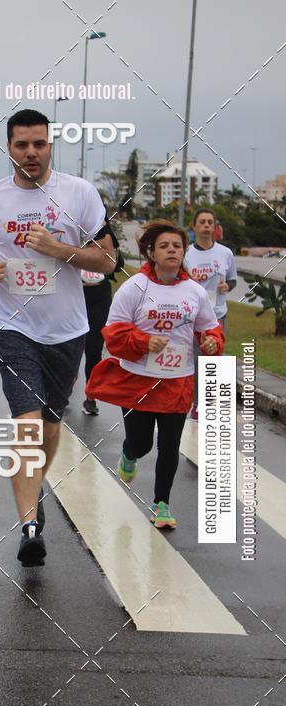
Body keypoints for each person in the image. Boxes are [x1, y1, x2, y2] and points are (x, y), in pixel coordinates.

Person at [0, 108, 116, 566]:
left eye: (39, 144)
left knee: (49, 428)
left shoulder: (78, 193)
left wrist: (59, 249)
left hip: (66, 330)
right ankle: (29, 525)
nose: (31, 152)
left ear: (50, 146)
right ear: (9, 148)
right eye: (22, 145)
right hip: (14, 326)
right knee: (26, 424)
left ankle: (34, 487)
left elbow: (108, 262)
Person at [86, 220, 225, 529]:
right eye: (164, 246)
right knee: (142, 443)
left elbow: (208, 325)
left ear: (183, 252)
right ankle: (128, 452)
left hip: (177, 381)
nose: (171, 250)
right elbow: (115, 334)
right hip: (137, 380)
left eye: (177, 246)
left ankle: (161, 503)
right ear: (150, 252)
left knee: (170, 445)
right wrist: (144, 342)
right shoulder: (135, 288)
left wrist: (211, 339)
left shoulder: (194, 291)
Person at [184, 208, 236, 419]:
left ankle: (209, 405)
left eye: (210, 222)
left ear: (215, 227)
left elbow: (232, 279)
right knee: (195, 360)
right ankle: (195, 404)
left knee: (213, 357)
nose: (206, 225)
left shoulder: (225, 253)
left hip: (217, 314)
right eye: (202, 222)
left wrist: (227, 287)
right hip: (192, 316)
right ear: (194, 226)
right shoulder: (186, 253)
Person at [81, 239, 124, 415]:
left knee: (93, 350)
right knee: (71, 347)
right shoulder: (72, 233)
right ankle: (63, 387)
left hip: (100, 297)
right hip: (75, 295)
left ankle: (90, 397)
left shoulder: (106, 237)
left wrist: (113, 248)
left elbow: (118, 266)